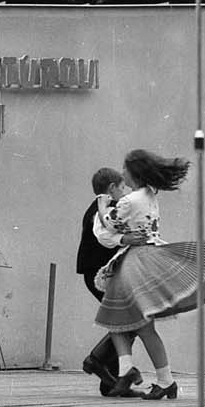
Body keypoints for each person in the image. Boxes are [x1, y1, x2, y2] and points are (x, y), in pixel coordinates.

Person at [94, 147, 205, 400]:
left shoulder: (130, 200)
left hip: (137, 261)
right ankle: (136, 372)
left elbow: (109, 222)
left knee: (131, 322)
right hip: (146, 257)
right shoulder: (148, 194)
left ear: (134, 172)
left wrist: (102, 205)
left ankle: (153, 377)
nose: (122, 173)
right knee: (121, 319)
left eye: (125, 169)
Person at [77, 167, 126, 394]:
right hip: (100, 276)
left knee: (122, 321)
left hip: (97, 273)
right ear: (112, 188)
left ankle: (112, 380)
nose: (125, 193)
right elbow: (110, 237)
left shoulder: (97, 207)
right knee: (128, 320)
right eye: (122, 188)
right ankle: (97, 360)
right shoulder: (106, 210)